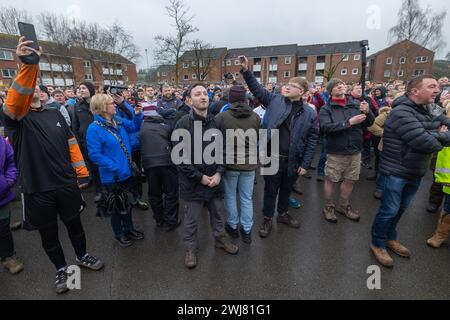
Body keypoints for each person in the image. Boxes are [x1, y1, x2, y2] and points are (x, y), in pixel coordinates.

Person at [3, 37, 103, 294]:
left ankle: (82, 256)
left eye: (36, 85)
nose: (33, 88)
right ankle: (63, 271)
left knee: (75, 226)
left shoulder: (54, 113)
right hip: (38, 189)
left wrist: (81, 174)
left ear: (43, 92)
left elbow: (72, 146)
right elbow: (15, 101)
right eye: (29, 86)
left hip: (66, 184)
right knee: (49, 235)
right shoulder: (17, 120)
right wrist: (28, 65)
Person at [370, 75, 450, 268]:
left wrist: (435, 134)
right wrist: (437, 134)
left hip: (415, 171)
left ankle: (391, 238)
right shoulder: (401, 113)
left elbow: (438, 131)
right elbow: (426, 143)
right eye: (431, 86)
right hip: (395, 171)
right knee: (389, 210)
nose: (437, 90)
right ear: (415, 91)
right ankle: (378, 243)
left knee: (401, 209)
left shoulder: (430, 108)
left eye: (437, 87)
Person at [240, 56, 319, 238]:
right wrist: (246, 70)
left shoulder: (309, 113)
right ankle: (267, 218)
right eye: (287, 84)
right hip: (272, 158)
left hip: (293, 160)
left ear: (302, 92)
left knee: (286, 190)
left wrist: (306, 164)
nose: (287, 86)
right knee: (270, 191)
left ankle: (282, 214)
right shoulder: (274, 101)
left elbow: (312, 139)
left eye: (293, 85)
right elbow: (257, 89)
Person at [174, 83, 239, 269]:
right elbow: (180, 159)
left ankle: (219, 239)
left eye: (204, 93)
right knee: (192, 220)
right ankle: (190, 249)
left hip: (215, 181)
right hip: (193, 184)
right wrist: (200, 177)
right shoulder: (182, 124)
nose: (203, 96)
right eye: (197, 94)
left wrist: (219, 173)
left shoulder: (217, 122)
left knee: (218, 215)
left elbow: (225, 149)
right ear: (189, 100)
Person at [86, 94, 144, 247]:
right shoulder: (94, 128)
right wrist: (114, 166)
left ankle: (129, 229)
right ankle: (119, 234)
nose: (115, 105)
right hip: (112, 177)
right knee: (117, 208)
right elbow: (94, 154)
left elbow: (134, 126)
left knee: (128, 203)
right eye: (112, 103)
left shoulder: (117, 120)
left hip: (127, 173)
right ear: (102, 107)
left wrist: (137, 115)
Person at [320, 79, 375, 223]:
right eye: (335, 85)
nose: (340, 86)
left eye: (342, 84)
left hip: (355, 150)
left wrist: (368, 112)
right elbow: (326, 128)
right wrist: (349, 123)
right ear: (330, 91)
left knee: (350, 180)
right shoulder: (326, 109)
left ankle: (343, 206)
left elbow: (369, 123)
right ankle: (328, 207)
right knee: (331, 180)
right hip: (336, 151)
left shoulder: (356, 104)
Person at [216, 85, 261, 244]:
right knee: (246, 198)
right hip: (249, 164)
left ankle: (233, 226)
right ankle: (247, 230)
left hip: (230, 164)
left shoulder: (222, 117)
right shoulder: (255, 117)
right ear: (244, 99)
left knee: (230, 196)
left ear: (230, 99)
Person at [140, 104, 180, 231]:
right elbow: (174, 142)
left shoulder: (142, 127)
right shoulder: (166, 125)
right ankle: (171, 221)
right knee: (171, 192)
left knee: (154, 193)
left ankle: (159, 220)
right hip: (167, 161)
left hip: (149, 163)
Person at [113, 91, 149, 210]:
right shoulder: (109, 112)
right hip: (120, 148)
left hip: (133, 145)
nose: (115, 97)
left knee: (136, 173)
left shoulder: (126, 104)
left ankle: (137, 197)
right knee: (124, 174)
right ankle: (127, 198)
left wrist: (122, 103)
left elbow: (133, 119)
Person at [72, 81, 103, 201]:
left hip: (101, 141)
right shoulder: (77, 106)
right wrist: (78, 142)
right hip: (86, 143)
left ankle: (108, 188)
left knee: (102, 166)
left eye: (84, 88)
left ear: (90, 89)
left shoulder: (99, 104)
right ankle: (98, 190)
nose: (81, 90)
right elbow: (75, 126)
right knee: (93, 168)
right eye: (79, 88)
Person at [0, 134, 22, 274]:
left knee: (3, 228)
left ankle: (8, 257)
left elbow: (10, 162)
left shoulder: (1, 142)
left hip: (1, 196)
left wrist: (9, 181)